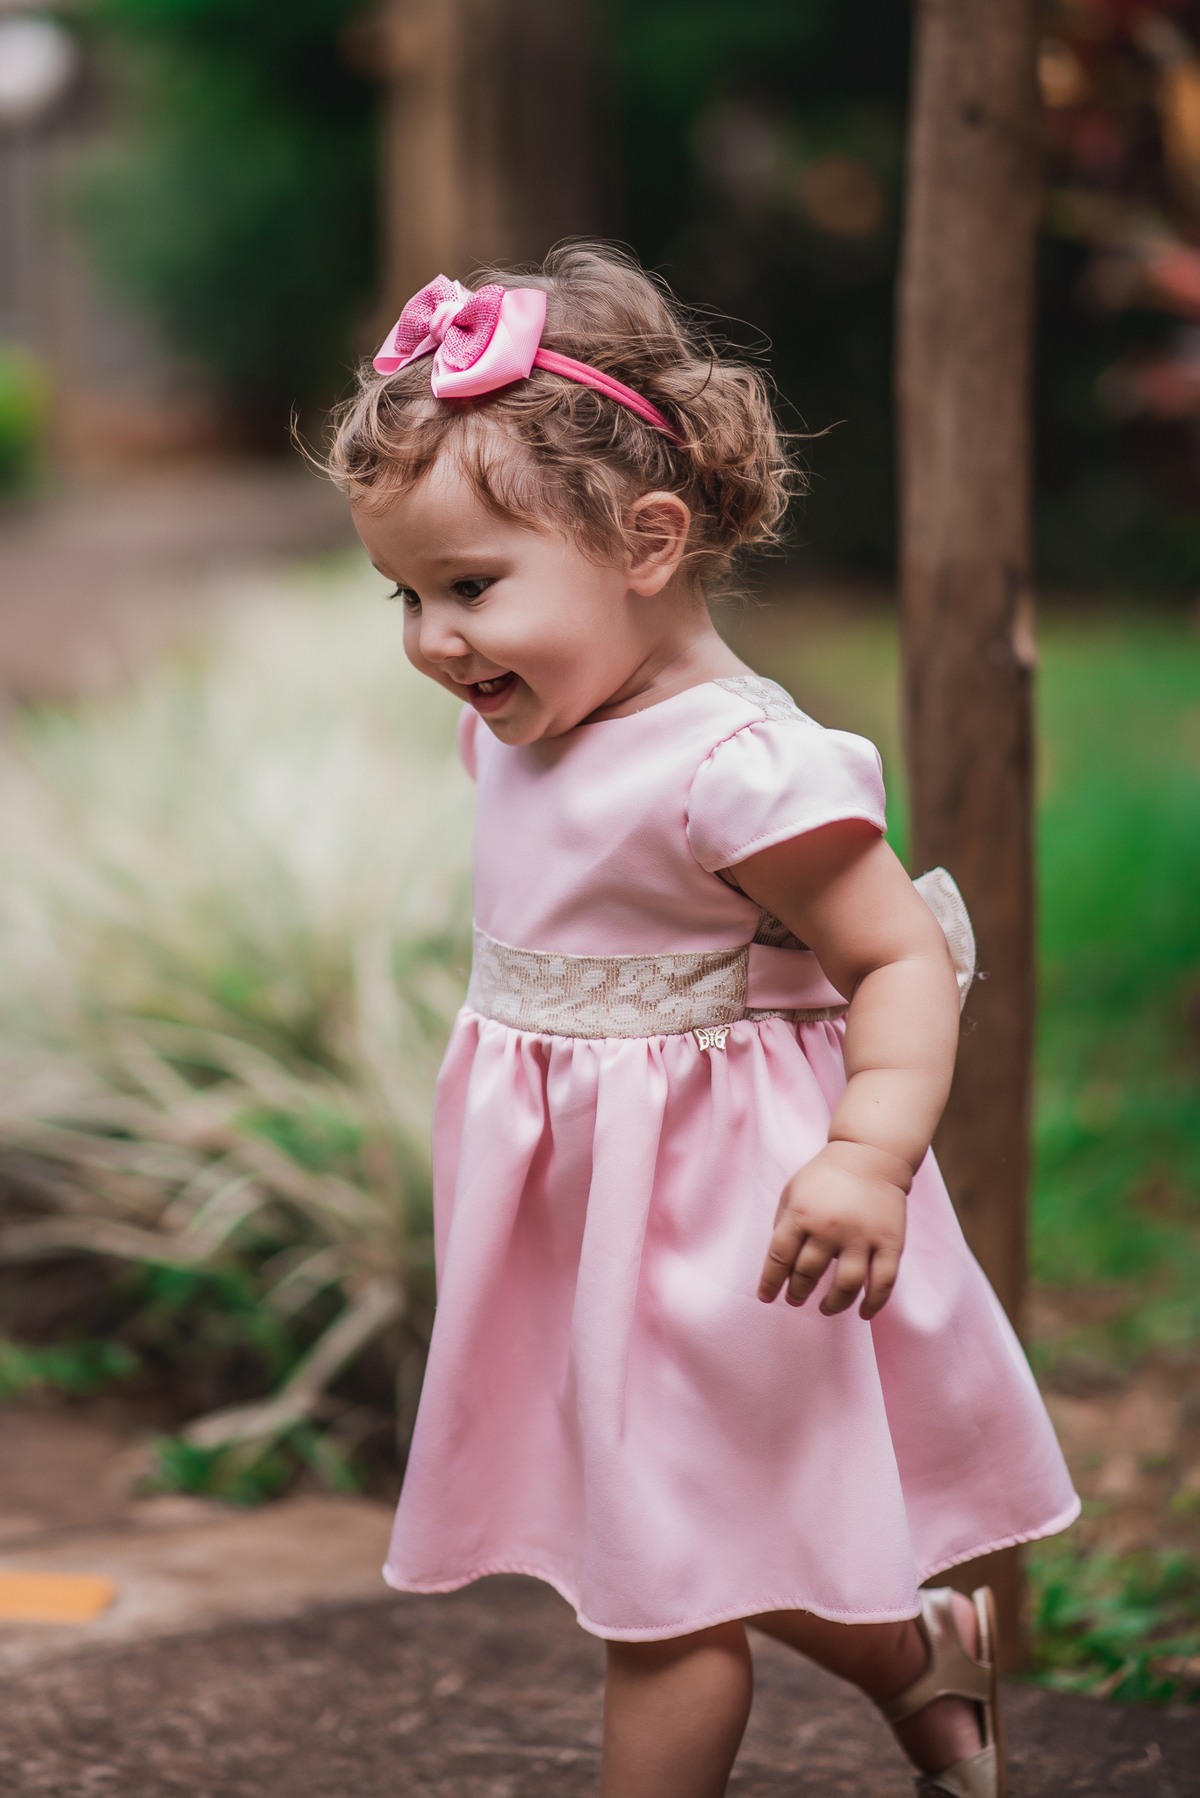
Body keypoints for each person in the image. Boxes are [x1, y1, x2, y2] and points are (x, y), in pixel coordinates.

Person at [329, 244, 1078, 1798]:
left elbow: (900, 961)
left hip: (724, 1216)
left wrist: (868, 1157)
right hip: (577, 1210)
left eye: (472, 587)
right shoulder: (542, 722)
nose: (432, 640)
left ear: (649, 540)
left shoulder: (740, 768)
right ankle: (916, 1650)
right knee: (663, 1516)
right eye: (406, 593)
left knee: (661, 1597)